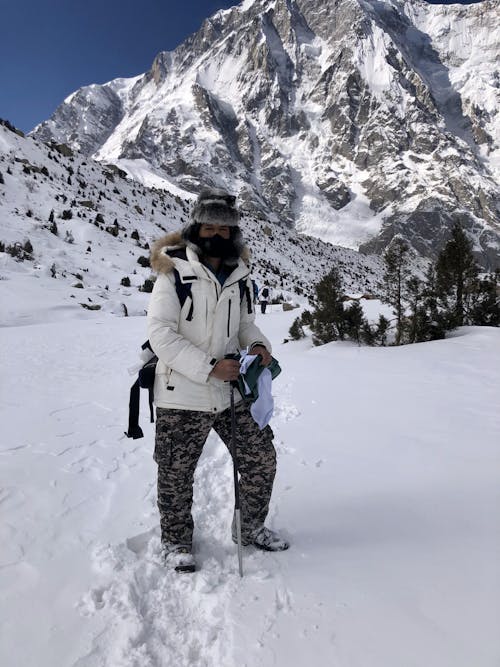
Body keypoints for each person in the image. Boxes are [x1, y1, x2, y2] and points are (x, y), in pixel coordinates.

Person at [147, 187, 289, 572]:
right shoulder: (173, 272)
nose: (216, 234)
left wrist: (258, 344)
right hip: (182, 391)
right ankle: (176, 542)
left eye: (224, 229)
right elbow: (160, 333)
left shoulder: (240, 275)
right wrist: (209, 365)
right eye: (209, 226)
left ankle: (250, 528)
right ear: (196, 228)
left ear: (233, 233)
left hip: (229, 391)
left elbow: (243, 324)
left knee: (261, 460)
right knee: (176, 474)